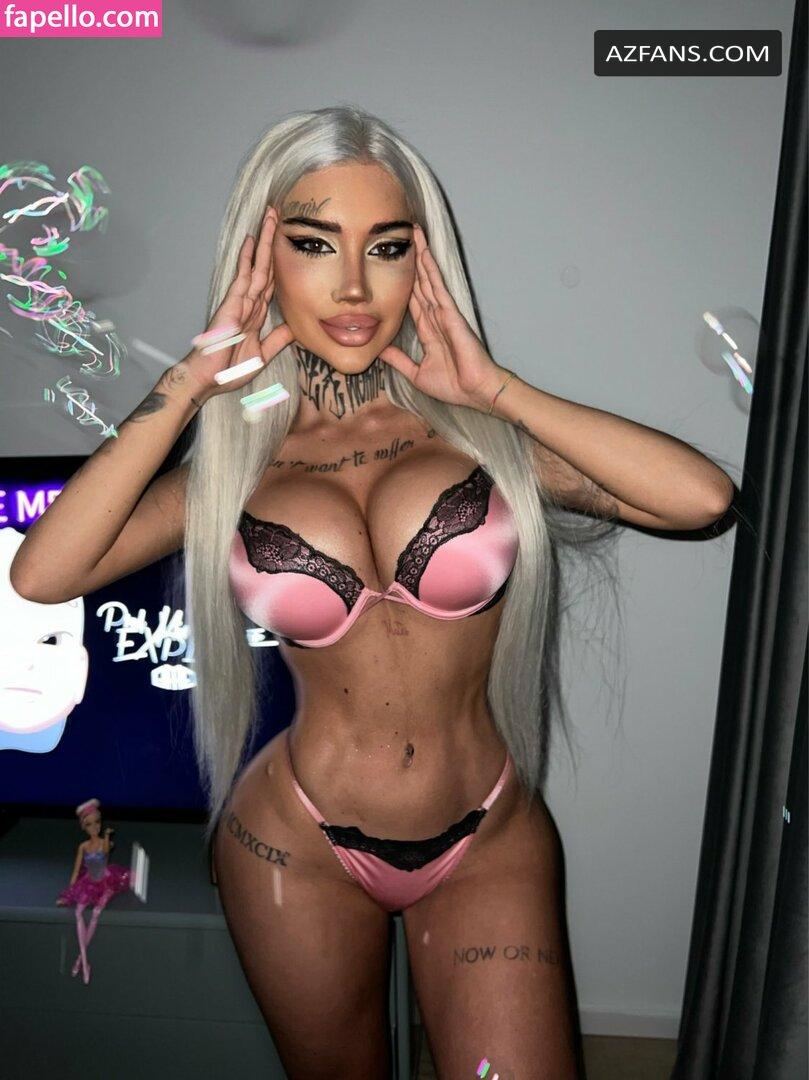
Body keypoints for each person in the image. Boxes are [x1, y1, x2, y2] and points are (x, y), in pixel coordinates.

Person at [12, 106, 734, 1077]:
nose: (353, 285)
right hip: (294, 843)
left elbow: (701, 500)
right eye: (314, 244)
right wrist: (189, 384)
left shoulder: (478, 442)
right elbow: (41, 572)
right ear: (261, 259)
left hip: (486, 834)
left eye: (386, 247)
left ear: (421, 263)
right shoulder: (232, 470)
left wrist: (496, 391)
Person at [55, 797, 130, 984]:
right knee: (78, 913)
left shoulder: (104, 843)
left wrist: (107, 836)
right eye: (89, 824)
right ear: (83, 827)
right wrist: (70, 892)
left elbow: (105, 852)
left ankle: (80, 961)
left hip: (105, 881)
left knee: (96, 913)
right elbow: (76, 870)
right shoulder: (83, 846)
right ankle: (84, 961)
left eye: (97, 822)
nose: (94, 827)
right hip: (88, 882)